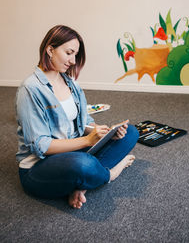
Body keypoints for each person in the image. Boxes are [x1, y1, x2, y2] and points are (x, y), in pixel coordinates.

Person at [16, 25, 139, 209]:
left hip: (73, 153)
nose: (73, 61)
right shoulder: (30, 89)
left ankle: (82, 186)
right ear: (50, 50)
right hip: (39, 168)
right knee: (84, 164)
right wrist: (88, 141)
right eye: (69, 53)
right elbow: (41, 146)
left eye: (76, 54)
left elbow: (85, 122)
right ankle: (109, 174)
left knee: (131, 132)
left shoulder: (70, 81)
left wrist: (103, 132)